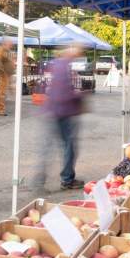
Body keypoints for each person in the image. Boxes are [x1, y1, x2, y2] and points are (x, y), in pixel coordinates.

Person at [34, 47, 85, 191]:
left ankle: (40, 180)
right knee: (69, 146)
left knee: (47, 147)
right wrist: (78, 95)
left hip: (52, 110)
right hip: (63, 111)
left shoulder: (55, 65)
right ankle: (67, 179)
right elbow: (63, 93)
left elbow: (50, 89)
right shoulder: (64, 67)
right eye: (77, 53)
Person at [0, 40, 14, 116]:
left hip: (6, 74)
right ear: (6, 44)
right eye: (10, 44)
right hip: (4, 74)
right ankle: (0, 109)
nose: (11, 45)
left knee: (2, 92)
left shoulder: (6, 51)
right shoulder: (1, 50)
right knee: (2, 93)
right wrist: (3, 71)